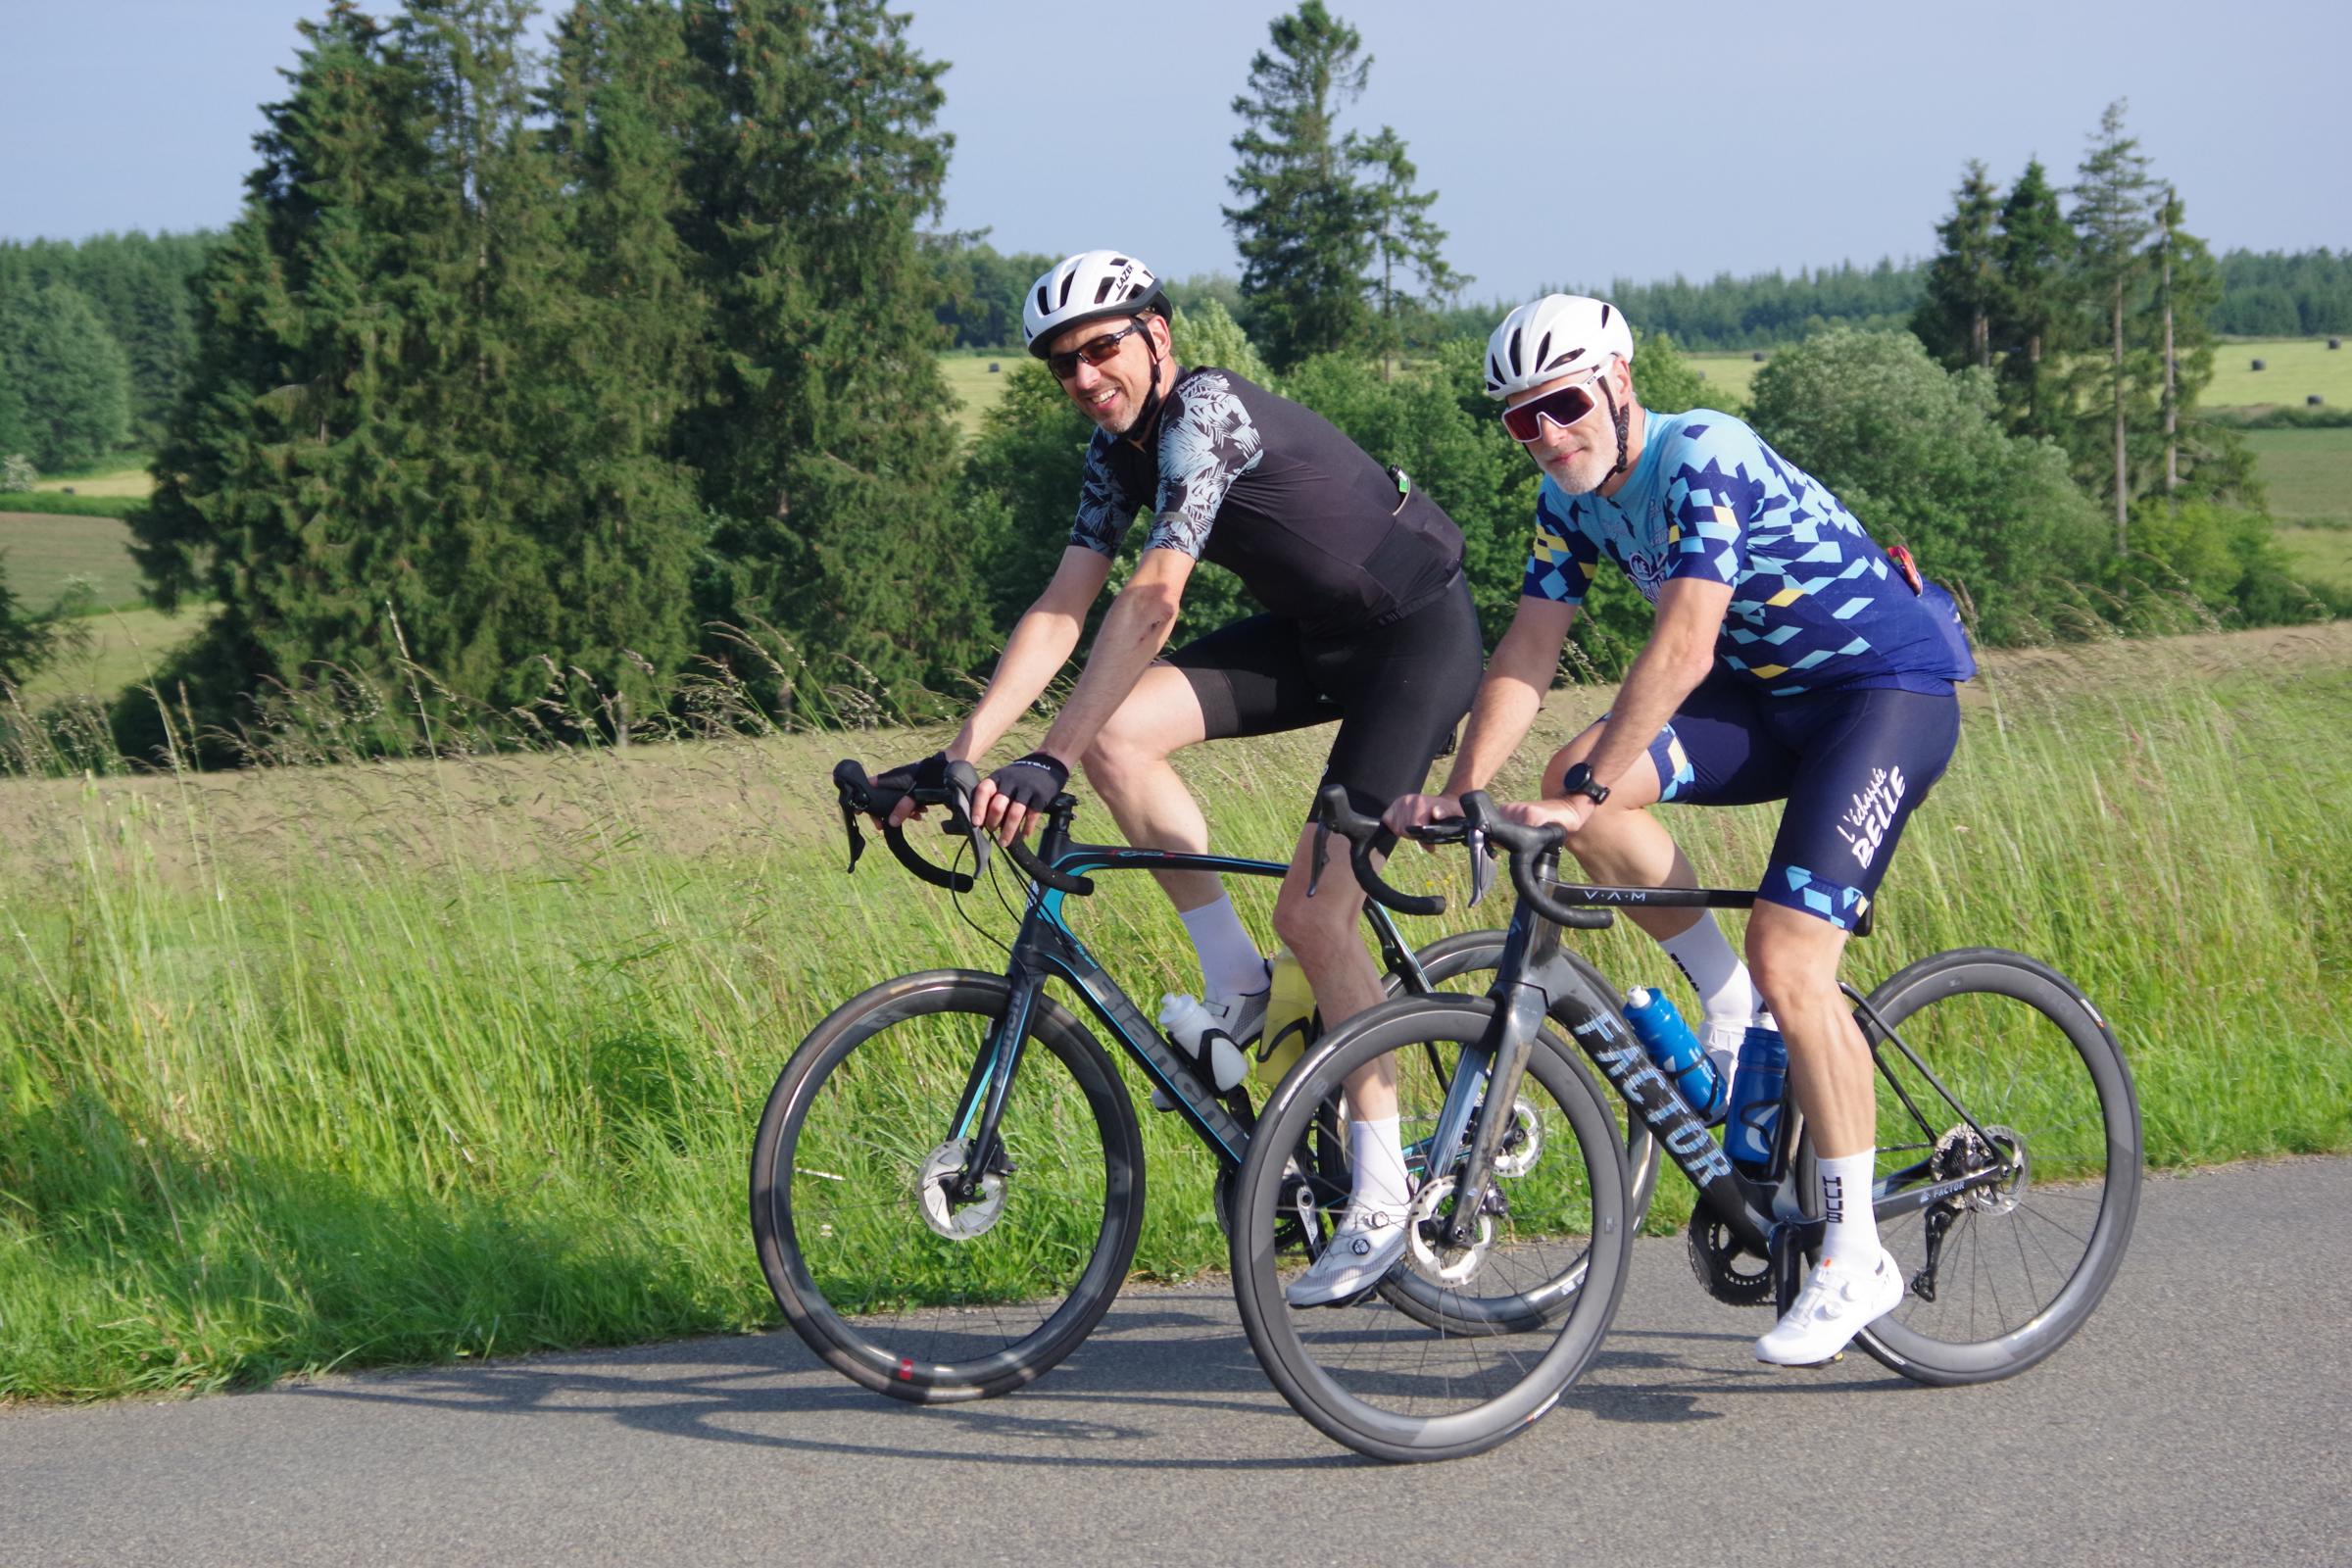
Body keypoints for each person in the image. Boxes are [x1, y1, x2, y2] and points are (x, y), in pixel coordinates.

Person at [863, 251, 1484, 1305]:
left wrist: (1048, 756)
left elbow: (1152, 600)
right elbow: (1065, 604)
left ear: (1157, 334)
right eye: (1062, 364)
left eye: (1101, 348)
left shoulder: (1205, 413)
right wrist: (966, 746)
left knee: (1315, 915)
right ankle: (1241, 986)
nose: (1084, 377)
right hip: (1316, 637)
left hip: (1414, 636)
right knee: (1116, 737)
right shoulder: (1117, 452)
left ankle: (1383, 1195)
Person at [1387, 294, 1976, 1365]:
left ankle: (1855, 1254)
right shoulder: (1568, 498)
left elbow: (1686, 644)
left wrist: (1589, 791)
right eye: (1521, 419)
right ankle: (1727, 998)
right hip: (1770, 704)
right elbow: (1530, 644)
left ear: (1618, 380)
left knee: (1792, 954)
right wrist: (1463, 789)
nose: (1548, 435)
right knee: (1571, 779)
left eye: (1565, 404)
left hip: (1882, 694)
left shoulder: (1704, 450)